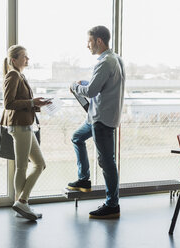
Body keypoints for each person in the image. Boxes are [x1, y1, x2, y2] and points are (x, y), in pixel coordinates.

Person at [68, 26, 125, 219]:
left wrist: (75, 86)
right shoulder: (115, 59)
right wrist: (87, 83)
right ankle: (84, 179)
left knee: (107, 162)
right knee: (77, 138)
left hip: (101, 120)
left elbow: (92, 92)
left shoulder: (104, 62)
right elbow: (101, 86)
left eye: (89, 41)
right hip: (98, 117)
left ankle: (112, 205)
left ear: (99, 41)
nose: (87, 45)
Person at [0, 45, 51, 221]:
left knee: (40, 164)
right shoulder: (13, 75)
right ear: (14, 60)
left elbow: (21, 102)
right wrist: (31, 102)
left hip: (25, 125)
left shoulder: (19, 75)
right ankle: (21, 202)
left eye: (27, 57)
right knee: (23, 166)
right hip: (19, 126)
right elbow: (9, 103)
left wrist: (37, 105)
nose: (27, 60)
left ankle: (21, 202)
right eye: (24, 56)